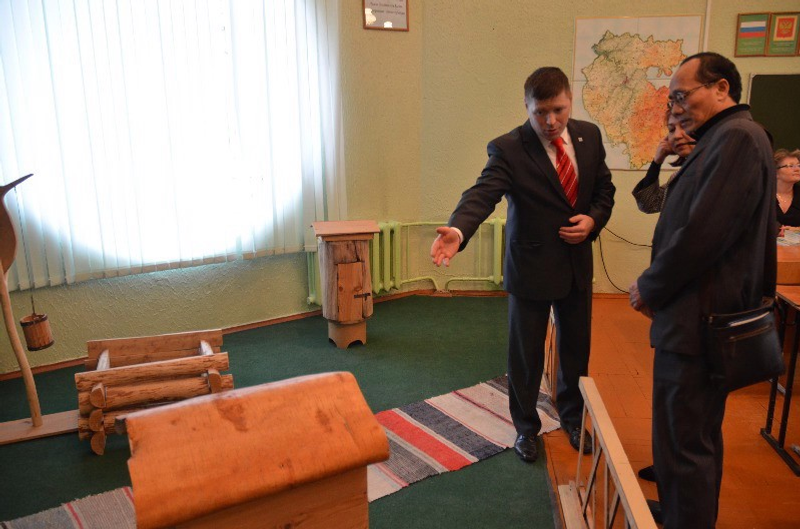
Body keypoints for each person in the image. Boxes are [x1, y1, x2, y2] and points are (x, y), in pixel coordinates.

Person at [430, 67, 615, 463]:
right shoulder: (509, 148)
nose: (550, 121)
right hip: (531, 268)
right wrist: (458, 230)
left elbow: (604, 190)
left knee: (575, 351)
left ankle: (572, 418)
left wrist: (593, 220)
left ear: (570, 100)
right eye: (540, 112)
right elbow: (483, 193)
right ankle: (526, 428)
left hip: (576, 267)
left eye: (558, 110)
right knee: (526, 356)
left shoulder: (590, 135)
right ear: (527, 107)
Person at [629, 52, 775, 528]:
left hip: (698, 321)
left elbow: (702, 235)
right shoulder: (722, 139)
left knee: (685, 441)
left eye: (681, 95)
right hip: (696, 317)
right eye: (671, 99)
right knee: (685, 436)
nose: (676, 107)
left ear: (720, 88)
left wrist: (649, 287)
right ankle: (679, 511)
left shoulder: (736, 138)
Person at [632, 112, 696, 213]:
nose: (677, 136)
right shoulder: (680, 175)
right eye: (672, 130)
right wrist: (657, 161)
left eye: (685, 126)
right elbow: (649, 204)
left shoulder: (714, 170)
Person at [775, 148, 800, 231]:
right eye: (790, 166)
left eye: (799, 165)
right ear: (775, 172)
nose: (797, 169)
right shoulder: (763, 194)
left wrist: (796, 229)